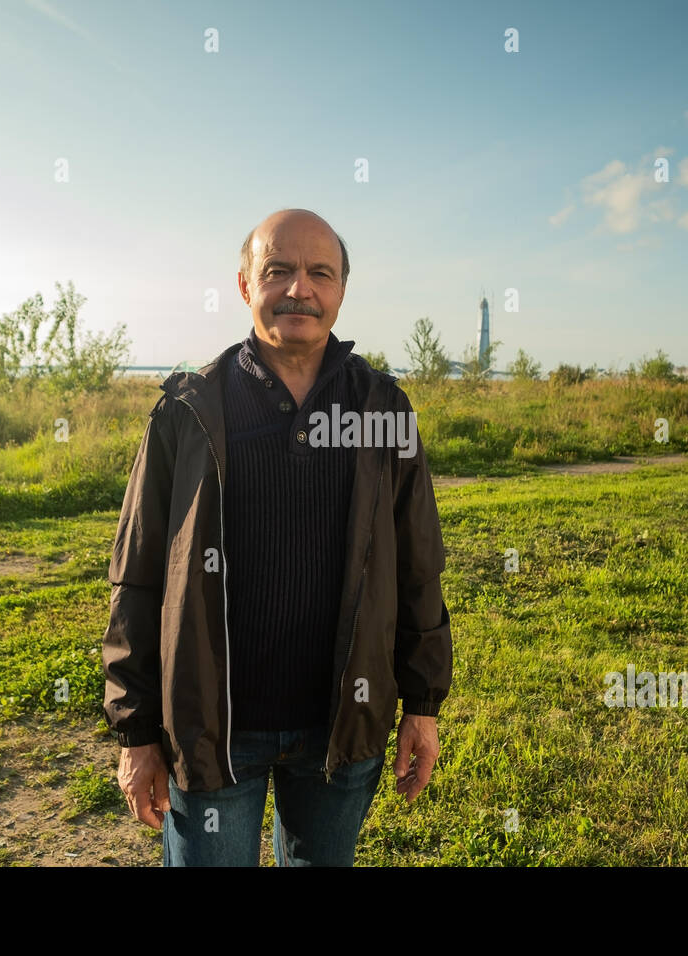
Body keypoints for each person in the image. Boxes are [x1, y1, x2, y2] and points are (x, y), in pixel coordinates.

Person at [102, 208, 452, 866]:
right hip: (213, 731)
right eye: (278, 271)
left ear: (342, 289)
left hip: (341, 727)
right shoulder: (189, 410)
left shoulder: (382, 411)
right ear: (244, 286)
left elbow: (417, 567)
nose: (300, 289)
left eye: (321, 273)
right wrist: (137, 731)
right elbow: (140, 574)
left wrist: (423, 703)